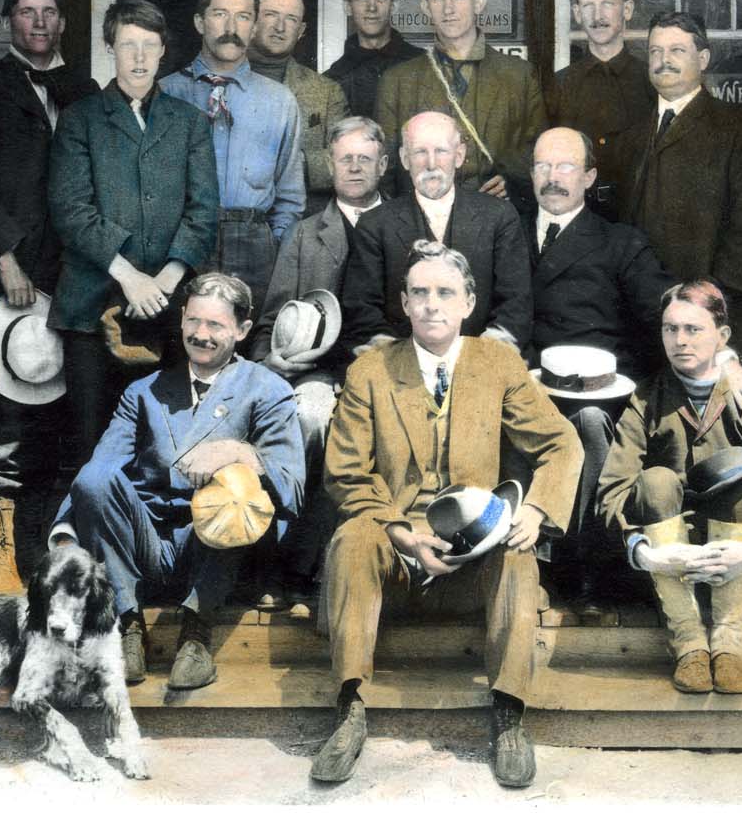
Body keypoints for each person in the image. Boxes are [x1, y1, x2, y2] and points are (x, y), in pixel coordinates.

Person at [311, 241, 582, 788]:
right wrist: (403, 534)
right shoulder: (371, 370)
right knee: (351, 538)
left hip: (473, 552)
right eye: (420, 293)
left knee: (520, 553)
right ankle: (349, 706)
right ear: (405, 304)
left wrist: (536, 509)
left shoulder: (497, 362)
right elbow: (344, 472)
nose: (432, 305)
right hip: (397, 547)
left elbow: (562, 443)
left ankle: (508, 712)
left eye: (445, 293)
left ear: (468, 303)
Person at [50, 273, 306, 690]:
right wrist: (65, 536)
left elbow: (292, 485)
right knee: (97, 480)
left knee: (234, 492)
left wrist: (239, 454)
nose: (201, 335)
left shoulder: (268, 390)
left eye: (216, 326)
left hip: (218, 550)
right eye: (194, 322)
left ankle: (197, 632)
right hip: (147, 542)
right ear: (182, 319)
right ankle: (128, 623)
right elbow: (98, 470)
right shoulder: (145, 391)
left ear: (242, 331)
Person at [0, 0, 99, 592]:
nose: (39, 22)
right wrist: (5, 258)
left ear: (63, 22)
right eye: (26, 12)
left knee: (68, 410)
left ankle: (53, 549)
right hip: (15, 275)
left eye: (49, 11)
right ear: (7, 22)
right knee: (11, 409)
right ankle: (0, 552)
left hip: (76, 273)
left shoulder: (85, 88)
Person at [597, 281, 742, 695]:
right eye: (670, 329)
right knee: (656, 479)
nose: (680, 340)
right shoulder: (646, 399)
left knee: (741, 475)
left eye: (693, 329)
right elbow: (613, 488)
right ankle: (687, 643)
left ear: (722, 337)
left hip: (737, 563)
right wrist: (646, 554)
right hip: (668, 568)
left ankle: (728, 641)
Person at [47, 0, 219, 462]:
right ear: (110, 48)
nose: (139, 58)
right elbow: (71, 210)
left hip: (168, 308)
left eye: (149, 46)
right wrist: (130, 277)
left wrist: (163, 282)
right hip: (93, 302)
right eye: (128, 45)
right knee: (93, 443)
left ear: (164, 51)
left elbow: (203, 211)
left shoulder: (189, 123)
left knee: (165, 444)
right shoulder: (80, 119)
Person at [248, 116, 390, 609]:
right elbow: (271, 321)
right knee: (311, 420)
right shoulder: (307, 235)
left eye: (364, 159)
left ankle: (334, 571)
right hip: (319, 374)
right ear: (329, 165)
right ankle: (289, 566)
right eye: (344, 158)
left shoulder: (403, 224)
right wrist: (274, 358)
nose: (354, 167)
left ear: (384, 165)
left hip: (387, 373)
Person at [524, 126, 667, 609]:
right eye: (543, 166)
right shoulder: (503, 232)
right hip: (523, 384)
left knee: (586, 425)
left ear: (589, 176)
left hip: (598, 393)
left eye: (565, 167)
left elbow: (660, 312)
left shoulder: (620, 242)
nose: (553, 178)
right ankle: (524, 567)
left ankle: (584, 567)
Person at [625, 12, 742, 373]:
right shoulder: (633, 134)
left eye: (677, 50)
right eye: (655, 51)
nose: (664, 60)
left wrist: (705, 299)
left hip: (717, 323)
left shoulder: (738, 126)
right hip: (647, 325)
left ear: (704, 59)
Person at [161, 0, 306, 303]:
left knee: (250, 341)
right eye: (220, 14)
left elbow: (290, 196)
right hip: (181, 243)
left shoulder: (279, 101)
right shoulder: (166, 94)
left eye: (243, 16)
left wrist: (273, 249)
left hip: (254, 247)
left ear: (254, 28)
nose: (232, 27)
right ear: (200, 22)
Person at [340, 111, 532, 354]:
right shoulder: (375, 224)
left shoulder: (499, 216)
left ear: (459, 155)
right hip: (402, 370)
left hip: (481, 364)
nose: (431, 163)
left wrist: (480, 360)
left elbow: (515, 305)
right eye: (420, 152)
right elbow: (362, 311)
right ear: (405, 158)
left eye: (441, 151)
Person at [375, 0, 548, 214]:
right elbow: (385, 169)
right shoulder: (397, 81)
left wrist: (513, 182)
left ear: (479, 2)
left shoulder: (519, 76)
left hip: (499, 225)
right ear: (425, 6)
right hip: (423, 230)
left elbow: (539, 152)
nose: (448, 9)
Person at [547, 0, 654, 221]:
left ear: (627, 10)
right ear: (576, 13)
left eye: (608, 4)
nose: (598, 16)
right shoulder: (560, 84)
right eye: (588, 6)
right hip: (579, 215)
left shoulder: (651, 80)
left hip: (640, 216)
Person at [246, 0, 349, 214]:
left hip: (302, 225)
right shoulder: (223, 81)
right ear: (250, 19)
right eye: (271, 14)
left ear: (301, 31)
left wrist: (297, 163)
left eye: (291, 19)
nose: (280, 27)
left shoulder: (326, 91)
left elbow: (345, 159)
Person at [324, 0, 424, 121]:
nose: (372, 8)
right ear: (347, 6)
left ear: (394, 6)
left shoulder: (423, 66)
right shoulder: (332, 81)